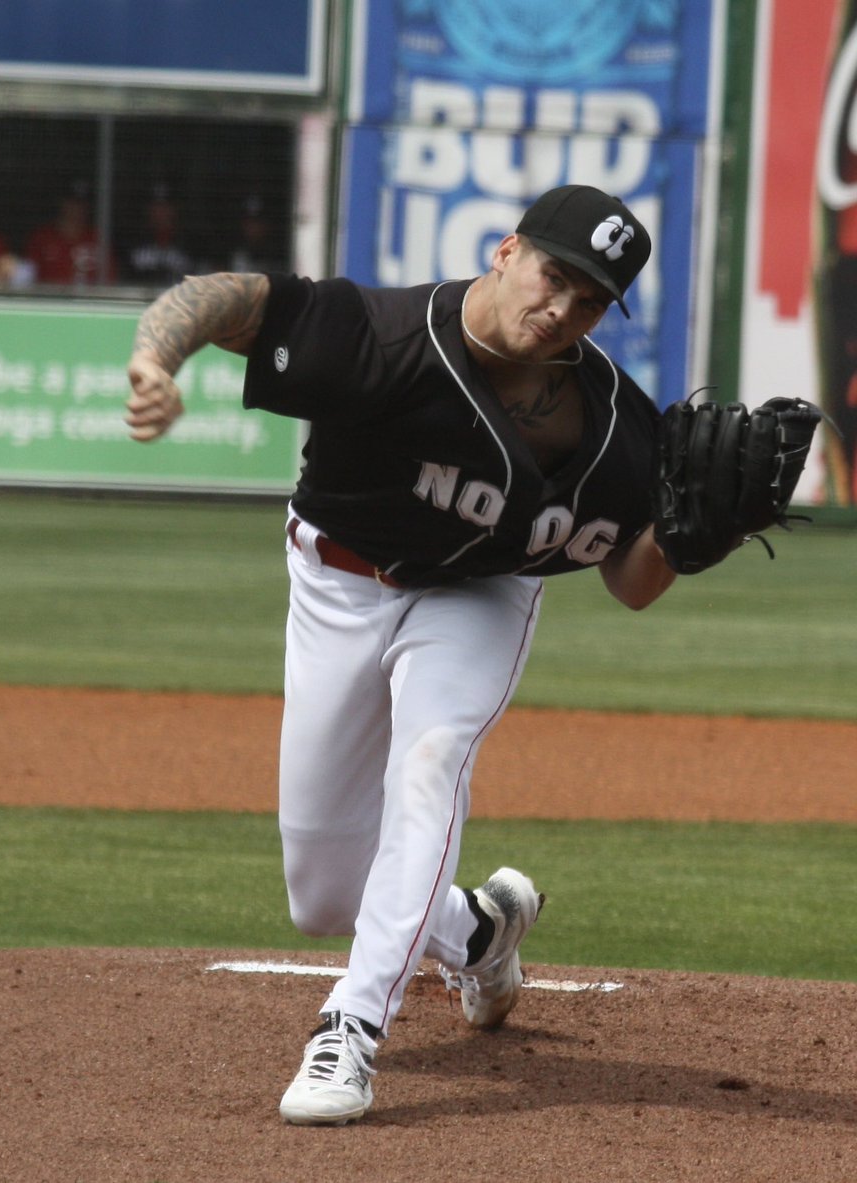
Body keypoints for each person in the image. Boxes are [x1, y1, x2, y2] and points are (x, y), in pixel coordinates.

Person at [124, 185, 676, 1125]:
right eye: (555, 275)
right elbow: (225, 297)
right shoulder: (379, 335)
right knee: (324, 891)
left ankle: (350, 1028)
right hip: (336, 582)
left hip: (479, 595)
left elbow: (632, 580)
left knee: (430, 767)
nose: (562, 307)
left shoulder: (614, 423)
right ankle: (483, 932)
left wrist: (695, 536)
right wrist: (153, 357)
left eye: (591, 300)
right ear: (507, 250)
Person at [25, 180, 115, 286]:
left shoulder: (98, 239)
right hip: (51, 300)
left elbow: (110, 281)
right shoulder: (42, 238)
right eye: (72, 202)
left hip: (89, 300)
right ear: (61, 203)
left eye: (82, 203)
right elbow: (27, 280)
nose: (77, 208)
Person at [125, 183, 193, 287]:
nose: (160, 213)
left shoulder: (189, 244)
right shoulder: (133, 243)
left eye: (165, 207)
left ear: (174, 210)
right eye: (156, 207)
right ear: (148, 211)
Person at [225, 194, 283, 274]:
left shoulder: (278, 254)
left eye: (257, 222)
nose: (253, 227)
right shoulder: (233, 252)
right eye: (249, 222)